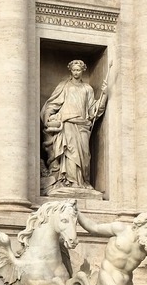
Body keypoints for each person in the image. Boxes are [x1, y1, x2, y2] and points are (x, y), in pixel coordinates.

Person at [41, 59, 106, 189]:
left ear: (83, 71)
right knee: (69, 153)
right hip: (67, 123)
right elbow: (52, 104)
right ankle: (68, 181)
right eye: (74, 70)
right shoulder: (64, 86)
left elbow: (93, 110)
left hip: (82, 125)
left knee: (84, 155)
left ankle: (81, 181)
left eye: (79, 70)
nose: (76, 72)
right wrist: (48, 116)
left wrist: (104, 95)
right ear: (70, 70)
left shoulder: (88, 88)